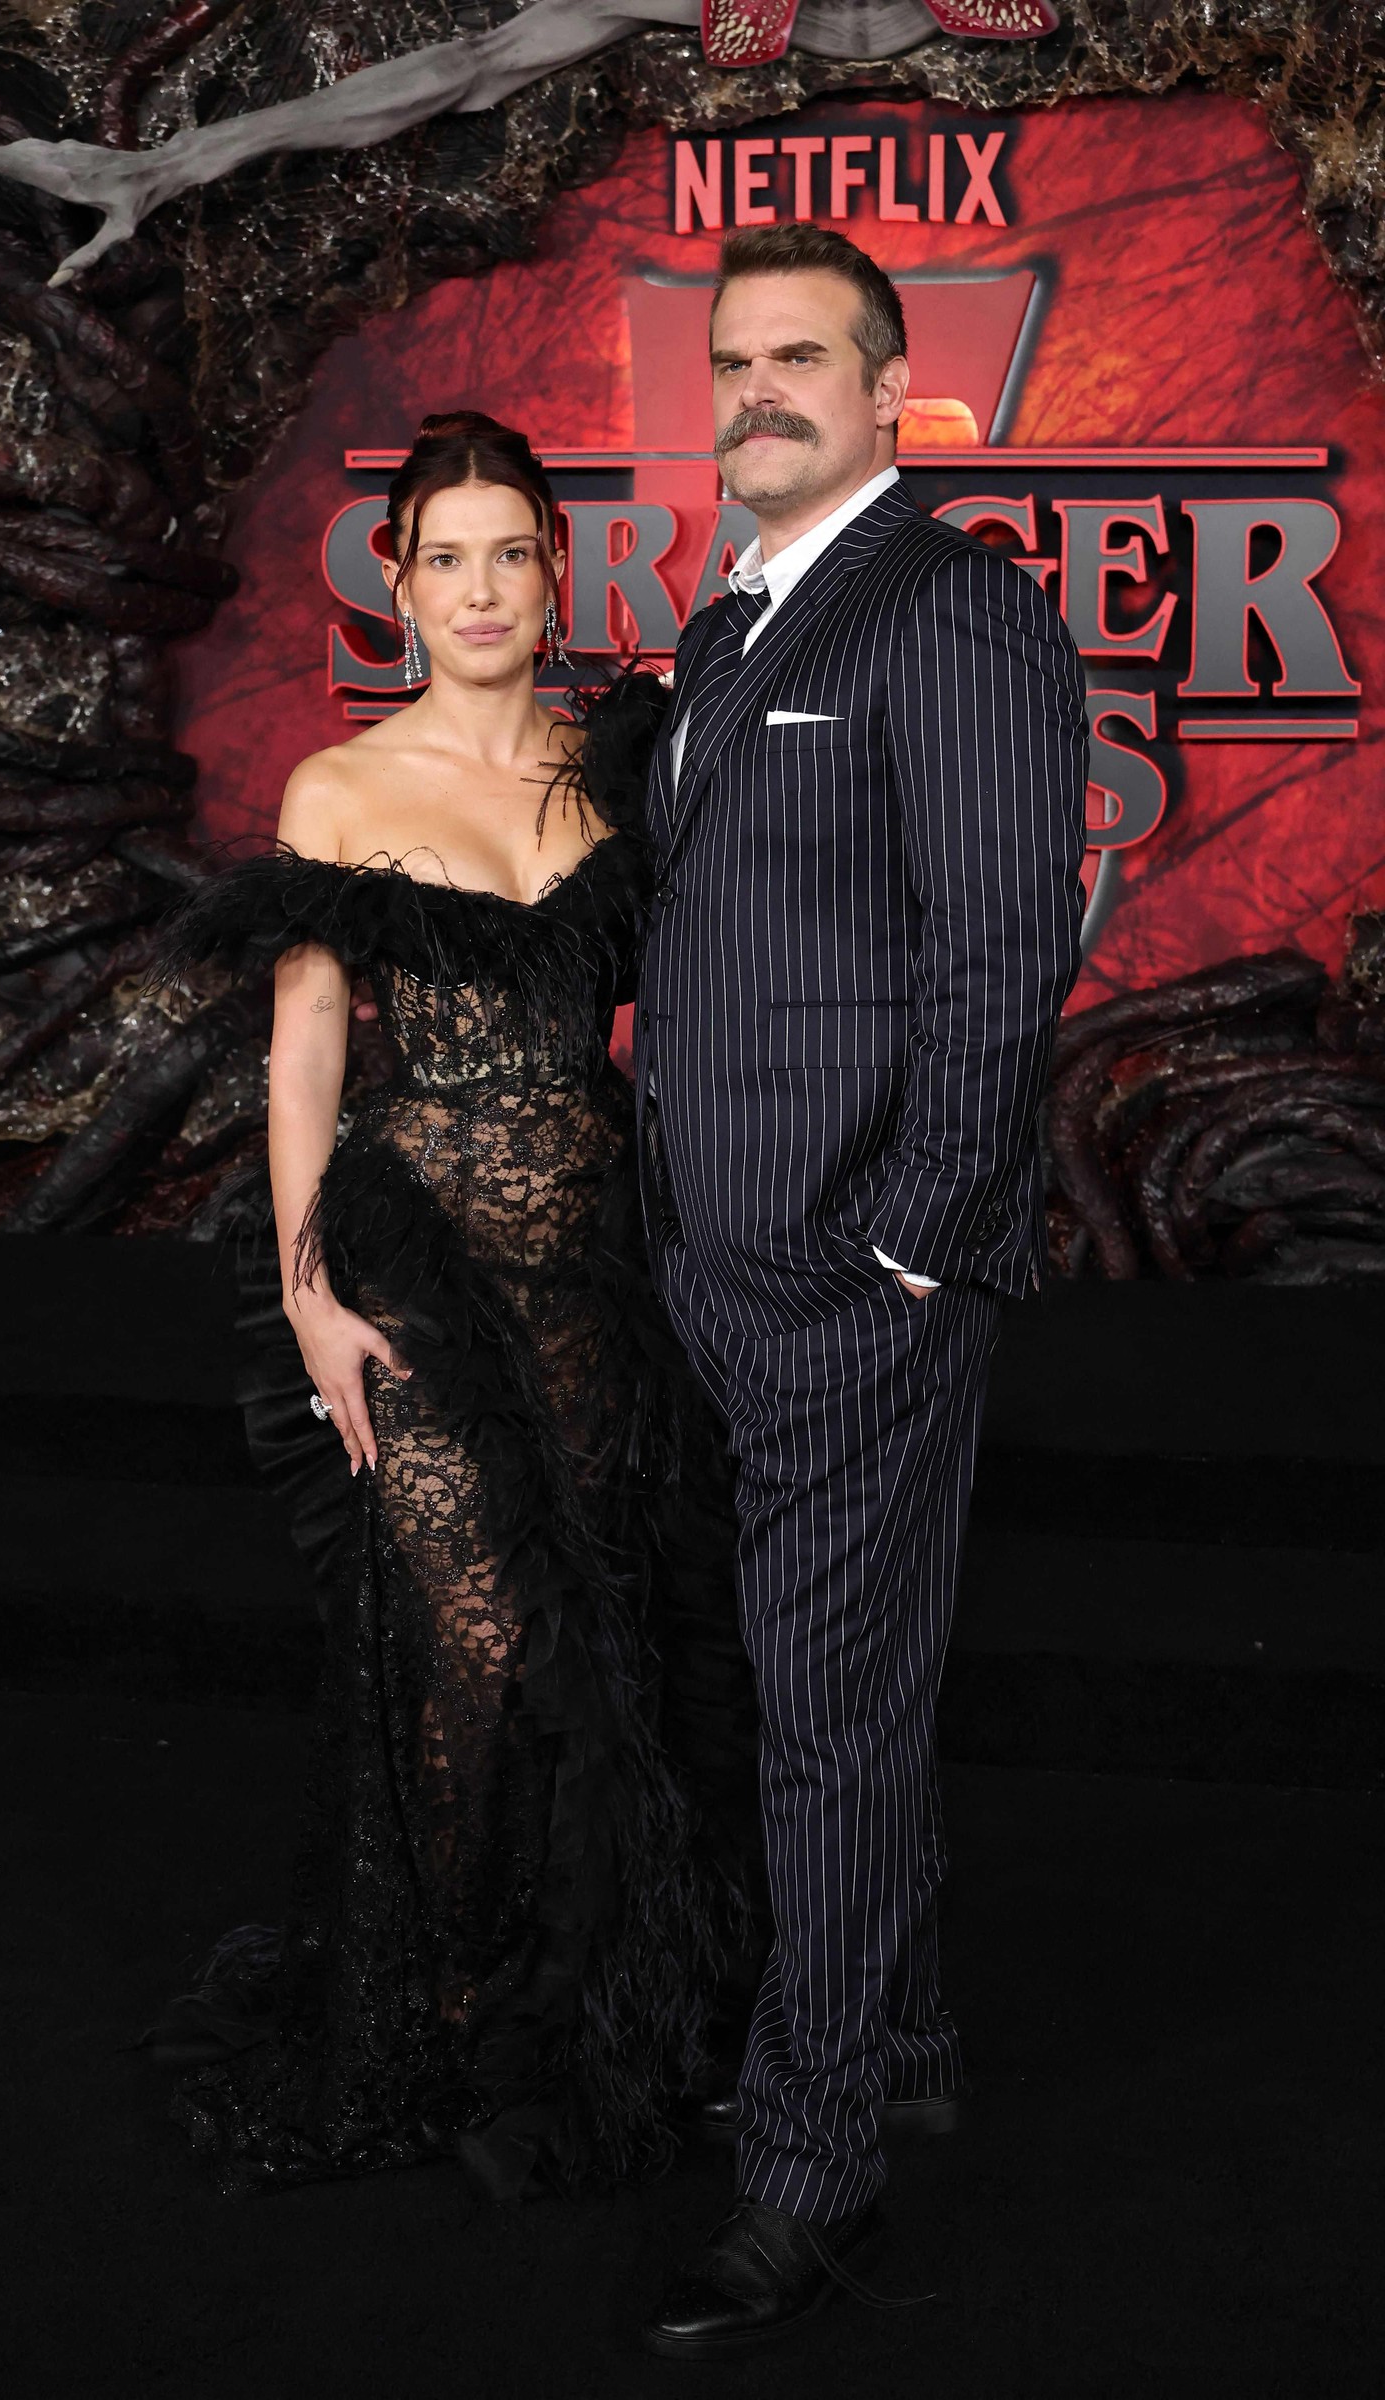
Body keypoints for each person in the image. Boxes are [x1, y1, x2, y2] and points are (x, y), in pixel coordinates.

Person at [148, 411, 759, 2199]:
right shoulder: (342, 788)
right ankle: (447, 1993)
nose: (481, 588)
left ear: (552, 577)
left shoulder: (606, 773)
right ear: (397, 586)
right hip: (411, 1259)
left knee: (612, 1630)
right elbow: (308, 1052)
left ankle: (581, 2001)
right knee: (477, 1637)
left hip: (596, 1262)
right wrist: (309, 1302)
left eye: (513, 554)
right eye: (447, 559)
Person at [634, 223, 1089, 2356]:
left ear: (892, 380)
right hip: (709, 1264)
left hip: (849, 1278)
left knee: (821, 1728)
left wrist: (903, 1239)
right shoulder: (727, 618)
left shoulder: (952, 611)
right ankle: (894, 2041)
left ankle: (804, 2177)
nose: (756, 390)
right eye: (732, 358)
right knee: (821, 1699)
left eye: (801, 355)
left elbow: (999, 962)